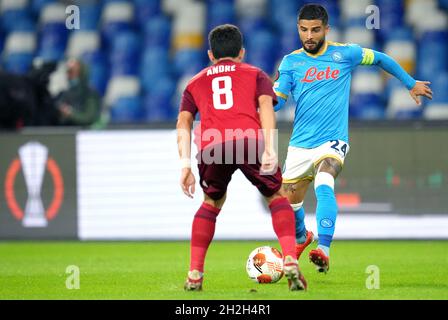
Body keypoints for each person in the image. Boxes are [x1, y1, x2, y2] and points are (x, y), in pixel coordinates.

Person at [274, 4, 433, 273]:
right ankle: (303, 239)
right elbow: (279, 100)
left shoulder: (345, 53)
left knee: (324, 180)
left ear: (326, 29)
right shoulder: (291, 62)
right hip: (300, 142)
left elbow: (382, 58)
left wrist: (409, 83)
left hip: (333, 139)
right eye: (303, 30)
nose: (309, 36)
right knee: (289, 201)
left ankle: (323, 248)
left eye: (315, 30)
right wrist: (261, 104)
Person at [177, 24, 307, 291]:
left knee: (212, 202)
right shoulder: (256, 74)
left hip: (212, 145)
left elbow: (184, 121)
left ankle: (194, 274)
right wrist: (270, 147)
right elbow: (266, 108)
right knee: (277, 196)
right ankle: (291, 259)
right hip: (249, 140)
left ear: (211, 54)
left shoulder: (194, 82)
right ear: (242, 52)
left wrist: (185, 165)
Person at [56, 58, 101, 127]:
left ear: (81, 73)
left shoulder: (90, 94)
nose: (68, 76)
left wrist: (70, 113)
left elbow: (89, 118)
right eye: (67, 72)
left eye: (72, 72)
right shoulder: (64, 94)